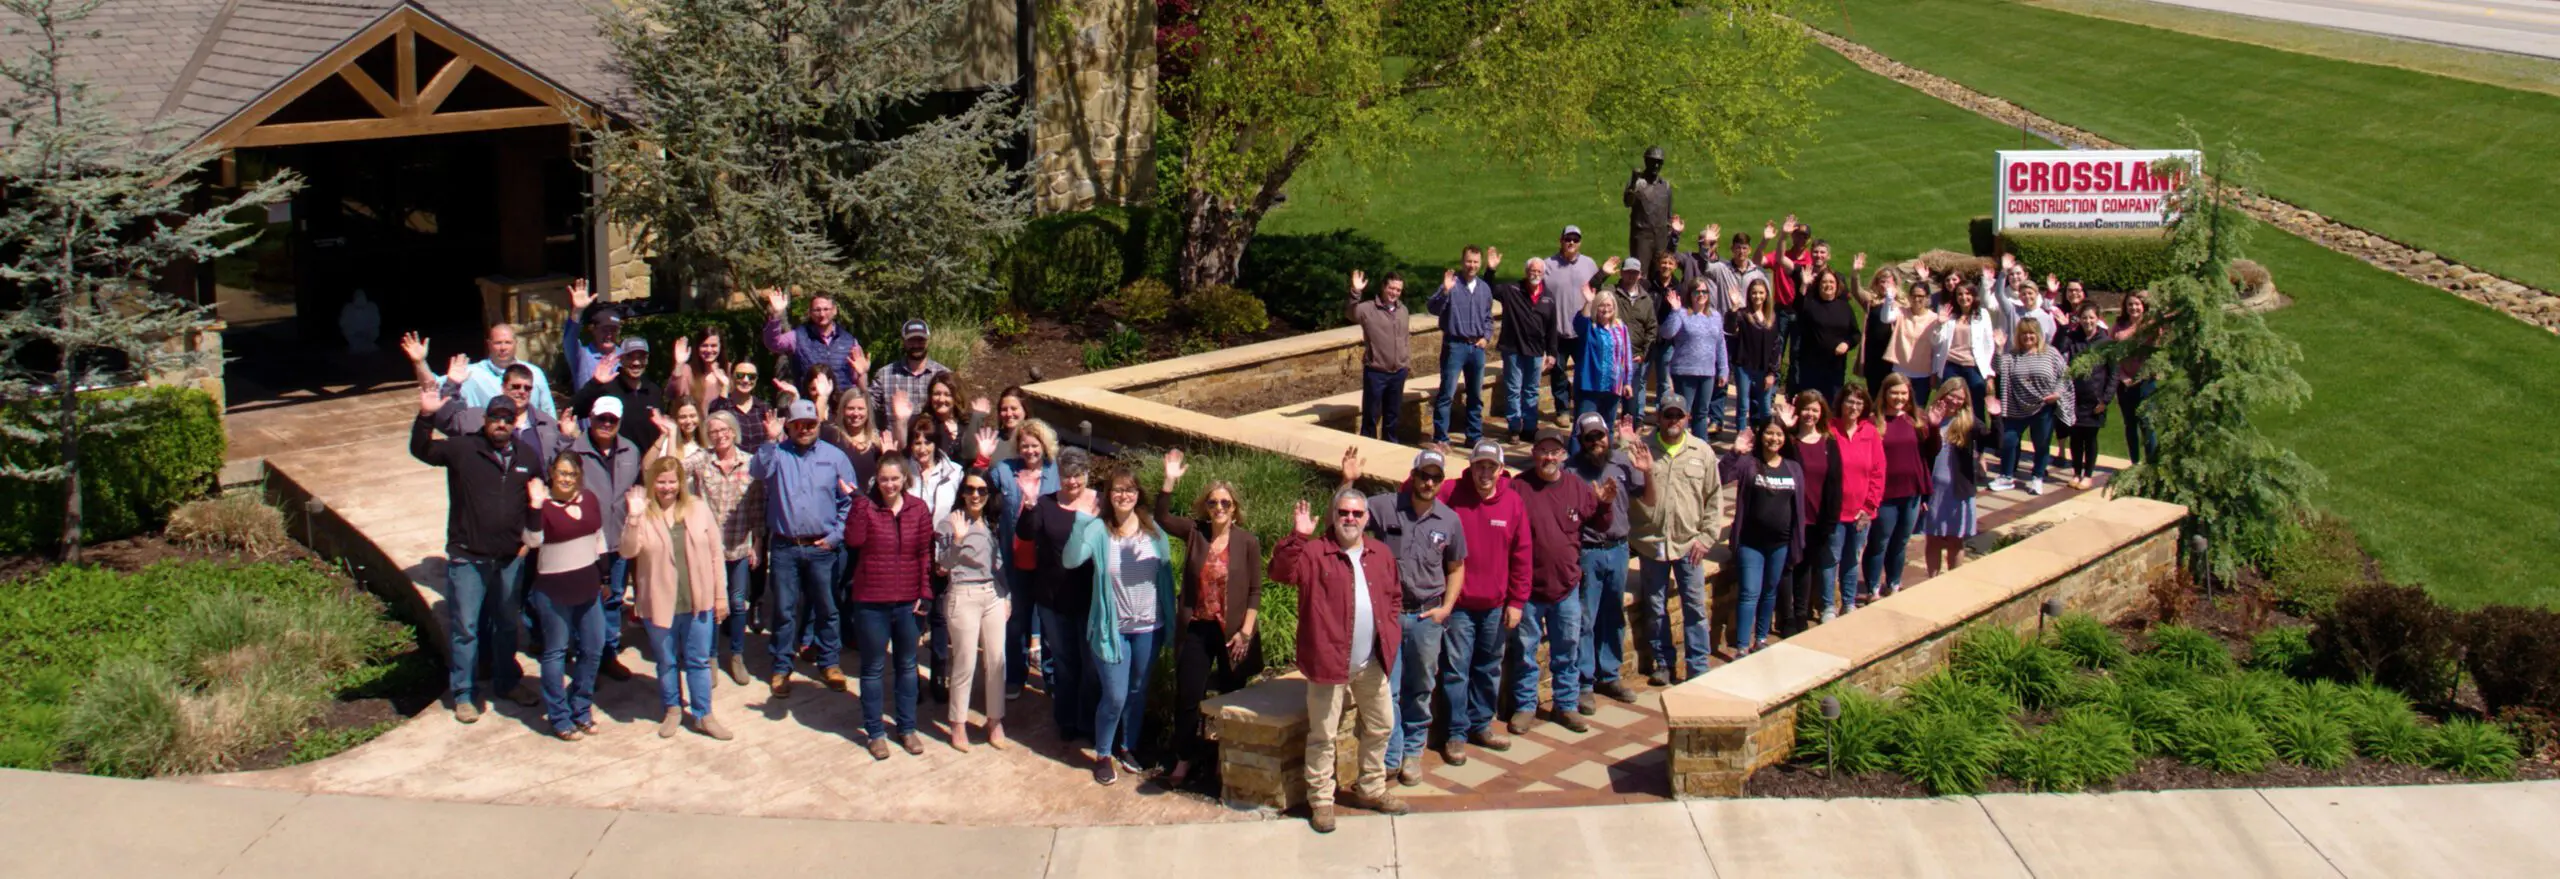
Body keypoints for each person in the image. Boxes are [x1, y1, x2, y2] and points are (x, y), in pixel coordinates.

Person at [1271, 490, 1409, 833]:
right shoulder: (1315, 552)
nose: (1350, 518)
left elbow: (1393, 597)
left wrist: (1389, 630)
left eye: (1357, 513)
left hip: (1371, 662)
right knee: (1323, 736)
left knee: (1381, 726)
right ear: (1334, 515)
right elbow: (1281, 573)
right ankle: (1321, 802)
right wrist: (1298, 536)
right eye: (1344, 512)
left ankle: (1371, 788)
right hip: (1328, 663)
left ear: (1366, 518)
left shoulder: (1380, 553)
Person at [1336, 446, 1466, 783]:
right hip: (1390, 617)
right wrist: (1347, 481)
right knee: (1387, 690)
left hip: (1426, 617)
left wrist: (1446, 608)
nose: (1429, 482)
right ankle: (1391, 755)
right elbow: (1340, 521)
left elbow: (1456, 568)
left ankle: (1412, 752)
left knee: (1420, 688)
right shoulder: (1384, 506)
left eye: (1436, 477)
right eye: (1424, 475)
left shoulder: (1449, 520)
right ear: (1414, 475)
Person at [411, 388, 539, 723]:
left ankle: (507, 683)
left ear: (515, 422)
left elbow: (538, 496)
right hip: (469, 557)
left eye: (506, 419)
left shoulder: (528, 456)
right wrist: (426, 416)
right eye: (495, 417)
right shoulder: (463, 449)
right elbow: (422, 449)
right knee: (466, 628)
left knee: (507, 625)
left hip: (510, 558)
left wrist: (527, 538)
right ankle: (464, 694)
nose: (500, 424)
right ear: (485, 420)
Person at [1154, 449, 1265, 788]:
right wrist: (1169, 481)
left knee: (1232, 700)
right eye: (1214, 503)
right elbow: (1161, 517)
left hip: (1233, 633)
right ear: (1206, 506)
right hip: (1198, 629)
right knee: (1188, 698)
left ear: (1235, 509)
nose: (1219, 508)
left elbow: (1255, 591)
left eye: (1225, 504)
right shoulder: (1195, 533)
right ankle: (1185, 759)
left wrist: (1246, 632)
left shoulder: (1247, 542)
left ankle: (1222, 761)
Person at [1062, 463, 1175, 785]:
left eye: (1130, 489)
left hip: (1149, 628)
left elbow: (1165, 576)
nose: (1124, 495)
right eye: (1117, 489)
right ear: (1109, 495)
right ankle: (1102, 754)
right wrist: (1080, 521)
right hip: (1112, 630)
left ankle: (1127, 746)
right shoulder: (1098, 530)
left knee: (1137, 691)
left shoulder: (1153, 530)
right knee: (1115, 694)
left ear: (1138, 494)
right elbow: (1070, 560)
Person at [1508, 427, 1616, 734]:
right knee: (1526, 653)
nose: (1549, 457)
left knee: (1567, 650)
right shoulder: (1519, 488)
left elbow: (1599, 524)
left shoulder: (1577, 487)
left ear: (1564, 455)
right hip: (1528, 588)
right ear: (1534, 454)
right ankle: (1526, 706)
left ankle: (1566, 705)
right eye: (1544, 451)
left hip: (1566, 586)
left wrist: (1605, 504)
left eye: (1555, 452)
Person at [620, 455, 733, 740]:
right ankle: (672, 709)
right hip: (660, 602)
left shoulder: (697, 508)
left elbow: (716, 553)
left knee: (698, 660)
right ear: (652, 483)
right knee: (667, 661)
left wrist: (721, 596)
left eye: (673, 481)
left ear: (681, 483)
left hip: (698, 600)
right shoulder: (644, 513)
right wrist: (633, 517)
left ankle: (703, 714)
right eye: (661, 481)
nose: (667, 487)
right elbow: (628, 551)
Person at [751, 399, 858, 696]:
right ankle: (782, 667)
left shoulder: (835, 457)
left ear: (819, 425)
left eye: (811, 424)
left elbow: (849, 502)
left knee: (827, 607)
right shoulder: (778, 453)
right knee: (785, 610)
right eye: (799, 424)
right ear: (790, 426)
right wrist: (770, 439)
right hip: (785, 546)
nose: (806, 429)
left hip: (822, 547)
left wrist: (836, 537)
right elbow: (758, 471)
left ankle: (829, 662)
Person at [1437, 441, 1530, 762]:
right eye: (1480, 466)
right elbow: (1416, 490)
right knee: (1455, 671)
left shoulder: (1513, 503)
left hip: (1494, 606)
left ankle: (1481, 725)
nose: (1485, 473)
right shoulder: (1451, 494)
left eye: (1492, 467)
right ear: (1470, 467)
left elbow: (1522, 556)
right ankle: (1456, 734)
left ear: (1501, 470)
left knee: (1489, 668)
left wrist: (1517, 601)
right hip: (1459, 605)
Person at [842, 454, 935, 758]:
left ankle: (907, 728)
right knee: (872, 668)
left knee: (907, 667)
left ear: (904, 479)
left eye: (895, 478)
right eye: (884, 479)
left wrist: (925, 591)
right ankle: (875, 732)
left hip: (908, 601)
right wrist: (857, 503)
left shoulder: (917, 509)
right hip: (871, 601)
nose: (890, 484)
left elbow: (925, 553)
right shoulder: (866, 507)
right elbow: (853, 541)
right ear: (876, 480)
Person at [1016, 446, 1101, 743]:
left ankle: (1088, 722)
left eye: (1078, 475)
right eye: (1067, 476)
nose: (1072, 482)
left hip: (1091, 600)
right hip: (1053, 599)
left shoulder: (1099, 504)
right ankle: (1066, 720)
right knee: (1065, 663)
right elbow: (1025, 533)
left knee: (1091, 664)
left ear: (1087, 475)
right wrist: (1028, 503)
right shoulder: (1046, 504)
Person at [521, 455, 605, 739]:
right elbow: (532, 541)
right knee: (556, 652)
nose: (567, 478)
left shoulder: (590, 499)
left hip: (588, 588)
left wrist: (604, 577)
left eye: (572, 473)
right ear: (552, 474)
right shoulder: (542, 507)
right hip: (553, 591)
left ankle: (581, 707)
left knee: (593, 649)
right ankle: (559, 716)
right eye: (561, 473)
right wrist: (534, 506)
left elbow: (599, 539)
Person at [1565, 412, 1644, 711]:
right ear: (1580, 441)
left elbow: (1645, 495)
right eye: (1590, 437)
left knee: (1613, 614)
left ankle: (1609, 674)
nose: (1597, 442)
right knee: (1586, 617)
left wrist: (1648, 471)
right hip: (1588, 552)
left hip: (1620, 548)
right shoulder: (1570, 472)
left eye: (1601, 435)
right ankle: (1585, 681)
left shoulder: (1622, 462)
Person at [1629, 396, 1707, 682]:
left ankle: (1698, 665)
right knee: (1655, 607)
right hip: (1653, 542)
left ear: (1687, 417)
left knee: (1695, 607)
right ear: (1658, 417)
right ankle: (1663, 663)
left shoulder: (1702, 451)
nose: (1673, 421)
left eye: (1678, 415)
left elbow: (1713, 499)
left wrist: (1708, 537)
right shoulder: (1641, 449)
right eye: (1668, 415)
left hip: (1689, 544)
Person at [569, 396, 643, 681]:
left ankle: (608, 655)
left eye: (612, 420)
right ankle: (586, 660)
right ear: (591, 417)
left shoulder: (630, 450)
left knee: (613, 600)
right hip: (587, 541)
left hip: (618, 540)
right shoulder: (575, 451)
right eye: (602, 419)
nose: (607, 424)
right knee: (586, 602)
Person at [686, 411, 763, 685]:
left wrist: (758, 541)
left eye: (724, 430)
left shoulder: (750, 463)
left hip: (740, 545)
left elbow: (757, 507)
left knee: (738, 603)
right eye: (714, 431)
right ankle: (711, 657)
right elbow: (672, 468)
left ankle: (737, 656)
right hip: (709, 548)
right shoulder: (702, 460)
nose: (719, 435)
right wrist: (670, 435)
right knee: (712, 605)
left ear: (733, 432)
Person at [936, 470, 1010, 751]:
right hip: (963, 593)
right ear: (962, 492)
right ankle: (958, 722)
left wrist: (1006, 595)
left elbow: (999, 562)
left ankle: (995, 720)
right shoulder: (950, 522)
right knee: (965, 660)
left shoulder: (992, 522)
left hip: (992, 594)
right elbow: (942, 565)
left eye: (981, 490)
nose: (975, 495)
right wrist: (957, 540)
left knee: (996, 660)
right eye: (970, 489)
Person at [1719, 418, 1805, 655]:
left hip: (1781, 543)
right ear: (1761, 435)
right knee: (1749, 592)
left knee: (1770, 591)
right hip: (1751, 543)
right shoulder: (1749, 464)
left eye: (1779, 434)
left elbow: (1798, 508)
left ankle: (1761, 638)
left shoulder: (1793, 467)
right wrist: (1734, 451)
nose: (1774, 439)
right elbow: (1722, 476)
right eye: (1769, 433)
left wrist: (1798, 541)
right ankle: (1742, 646)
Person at [992, 419, 1061, 697]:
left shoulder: (1056, 472)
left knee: (1048, 620)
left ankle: (1051, 676)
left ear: (1044, 447)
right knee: (1017, 619)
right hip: (1015, 558)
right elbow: (976, 488)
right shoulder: (1005, 471)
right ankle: (1015, 676)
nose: (1030, 451)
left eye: (1035, 445)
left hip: (1047, 562)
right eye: (1024, 445)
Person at [1775, 392, 1842, 631]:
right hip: (1790, 517)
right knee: (1786, 568)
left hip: (1817, 519)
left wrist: (1830, 521)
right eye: (1806, 409)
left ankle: (1801, 614)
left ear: (1821, 412)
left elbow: (1835, 483)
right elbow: (1779, 462)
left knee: (1805, 568)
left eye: (1815, 410)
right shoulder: (1789, 442)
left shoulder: (1829, 442)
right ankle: (1786, 617)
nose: (1810, 414)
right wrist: (1784, 426)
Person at [1862, 375, 1929, 601]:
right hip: (1885, 493)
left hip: (1911, 492)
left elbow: (1929, 453)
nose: (1899, 397)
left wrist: (1936, 426)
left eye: (1903, 393)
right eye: (1894, 393)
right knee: (1880, 540)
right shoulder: (1873, 422)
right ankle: (1873, 587)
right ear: (1885, 393)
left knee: (1901, 542)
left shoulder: (1916, 420)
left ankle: (1894, 583)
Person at [1992, 319, 2076, 496]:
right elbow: (1997, 368)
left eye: (2031, 333)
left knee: (2042, 443)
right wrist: (1999, 348)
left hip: (2043, 406)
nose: (2027, 336)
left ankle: (2037, 477)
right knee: (2008, 441)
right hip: (2017, 406)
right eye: (2023, 333)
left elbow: (2065, 375)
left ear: (2038, 334)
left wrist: (2058, 393)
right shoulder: (2012, 355)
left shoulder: (2050, 353)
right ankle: (2006, 476)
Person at [1920, 383, 1994, 577]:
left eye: (1959, 398)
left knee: (1955, 539)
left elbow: (1996, 442)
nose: (1954, 401)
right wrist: (1933, 426)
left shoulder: (1969, 422)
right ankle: (1932, 580)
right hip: (1934, 488)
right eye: (1951, 396)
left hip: (1959, 489)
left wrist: (1996, 417)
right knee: (1933, 538)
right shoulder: (1928, 418)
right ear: (1942, 394)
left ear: (1965, 400)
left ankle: (1954, 579)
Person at [400, 326, 558, 417]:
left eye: (508, 342)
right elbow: (432, 387)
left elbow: (548, 412)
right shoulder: (471, 374)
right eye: (498, 343)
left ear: (516, 343)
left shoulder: (535, 373)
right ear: (489, 344)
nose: (503, 348)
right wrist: (419, 362)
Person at [1428, 245, 1498, 446]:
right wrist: (1444, 291)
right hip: (1454, 346)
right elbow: (1432, 308)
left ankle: (1474, 436)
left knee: (1476, 395)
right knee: (1446, 394)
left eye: (1476, 262)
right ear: (1462, 261)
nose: (1472, 265)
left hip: (1476, 348)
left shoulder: (1484, 288)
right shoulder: (1452, 284)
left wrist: (1486, 336)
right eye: (1469, 261)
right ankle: (1441, 437)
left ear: (1480, 263)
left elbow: (1488, 317)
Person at [1827, 385, 1886, 610]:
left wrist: (1870, 506)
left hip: (1861, 511)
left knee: (1852, 560)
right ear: (1841, 403)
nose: (1854, 407)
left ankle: (1849, 602)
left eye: (1859, 403)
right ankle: (1828, 606)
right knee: (1831, 560)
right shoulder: (1830, 429)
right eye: (1850, 402)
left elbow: (1878, 472)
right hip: (1835, 510)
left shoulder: (1870, 432)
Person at [1493, 257, 1558, 443]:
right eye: (1532, 271)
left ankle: (1530, 427)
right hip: (1513, 349)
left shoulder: (1548, 297)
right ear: (1526, 272)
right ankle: (1514, 427)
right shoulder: (1512, 289)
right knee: (1513, 389)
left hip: (1536, 350)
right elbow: (1489, 289)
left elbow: (1552, 327)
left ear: (1543, 274)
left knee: (1531, 391)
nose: (1535, 274)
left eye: (1538, 271)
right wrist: (1491, 270)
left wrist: (1552, 352)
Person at [2054, 302, 2118, 490]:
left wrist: (2105, 400)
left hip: (2095, 399)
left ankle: (2088, 474)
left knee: (2090, 438)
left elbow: (2113, 374)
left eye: (2091, 317)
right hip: (2074, 397)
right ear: (2079, 319)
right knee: (2075, 438)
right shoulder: (2073, 338)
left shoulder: (2106, 343)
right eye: (2084, 317)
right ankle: (2076, 472)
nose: (2088, 321)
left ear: (2098, 319)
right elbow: (2057, 350)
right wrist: (2064, 328)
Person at [1931, 267, 2004, 428]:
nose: (1963, 297)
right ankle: (1945, 439)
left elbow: (1988, 345)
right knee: (1949, 405)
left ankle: (1977, 444)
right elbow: (1936, 342)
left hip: (1973, 367)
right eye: (1959, 294)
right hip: (1951, 366)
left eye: (1967, 294)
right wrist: (1939, 324)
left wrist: (1989, 373)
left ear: (1973, 295)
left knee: (1976, 405)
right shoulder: (1949, 314)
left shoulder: (1982, 314)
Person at [1345, 268, 1411, 442]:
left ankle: (1391, 448)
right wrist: (1356, 292)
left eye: (1398, 290)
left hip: (1398, 372)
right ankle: (1368, 447)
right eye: (1391, 288)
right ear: (1383, 287)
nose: (1394, 293)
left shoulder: (1402, 310)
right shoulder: (1368, 309)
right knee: (1371, 416)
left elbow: (1404, 338)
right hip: (1376, 372)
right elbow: (1351, 313)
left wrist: (1405, 363)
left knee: (1393, 417)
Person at [1656, 280, 1728, 438]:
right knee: (1683, 413)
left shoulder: (1715, 316)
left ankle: (1702, 448)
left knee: (1702, 413)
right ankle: (1680, 446)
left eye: (1704, 292)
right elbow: (1667, 333)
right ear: (1690, 294)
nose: (1701, 295)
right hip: (1685, 371)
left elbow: (1720, 344)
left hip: (1708, 372)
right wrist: (1674, 311)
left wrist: (1723, 369)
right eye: (1697, 291)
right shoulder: (1682, 314)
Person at [760, 286, 869, 390]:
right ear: (810, 312)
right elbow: (772, 343)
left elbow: (859, 383)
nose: (822, 314)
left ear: (834, 310)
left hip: (841, 404)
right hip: (810, 404)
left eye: (826, 309)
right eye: (817, 310)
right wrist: (777, 314)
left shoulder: (849, 341)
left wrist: (862, 374)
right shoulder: (797, 336)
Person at [573, 337, 666, 455]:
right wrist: (595, 383)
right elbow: (573, 410)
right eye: (630, 357)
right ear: (621, 359)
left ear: (647, 360)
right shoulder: (607, 389)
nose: (636, 363)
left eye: (641, 357)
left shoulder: (654, 391)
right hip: (617, 465)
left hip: (650, 466)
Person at [1545, 226, 1601, 418]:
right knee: (1558, 373)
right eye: (1568, 239)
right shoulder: (1548, 265)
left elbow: (1597, 293)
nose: (1571, 243)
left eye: (1575, 240)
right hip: (1557, 331)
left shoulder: (1589, 264)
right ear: (1561, 240)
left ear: (1580, 243)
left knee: (1584, 373)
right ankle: (1562, 409)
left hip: (1582, 332)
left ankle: (1582, 409)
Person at [1572, 290, 1636, 449]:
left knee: (1607, 427)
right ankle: (1576, 463)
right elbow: (1578, 323)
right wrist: (1588, 302)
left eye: (1609, 305)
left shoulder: (1620, 327)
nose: (1606, 308)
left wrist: (1627, 382)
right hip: (1590, 386)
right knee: (1583, 427)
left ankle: (1605, 461)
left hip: (1614, 385)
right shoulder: (1590, 326)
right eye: (1601, 305)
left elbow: (1626, 355)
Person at [1791, 267, 1860, 403]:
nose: (1828, 285)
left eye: (1831, 282)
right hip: (1811, 366)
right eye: (1824, 282)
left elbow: (1856, 334)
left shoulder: (1845, 307)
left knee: (1832, 403)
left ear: (1837, 285)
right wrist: (1804, 284)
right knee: (1810, 403)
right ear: (1818, 285)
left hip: (1835, 367)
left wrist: (1847, 344)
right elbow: (1798, 306)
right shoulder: (1810, 304)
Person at [1728, 278, 1783, 435]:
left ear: (1766, 295)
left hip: (1764, 368)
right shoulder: (1743, 314)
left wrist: (1772, 372)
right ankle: (1741, 436)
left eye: (1760, 292)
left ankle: (1765, 437)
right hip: (1744, 366)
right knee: (1743, 404)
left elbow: (1776, 346)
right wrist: (1733, 307)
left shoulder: (1772, 317)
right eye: (1754, 293)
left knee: (1765, 405)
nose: (1757, 296)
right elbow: (1730, 328)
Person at [1877, 272, 1943, 404]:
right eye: (1914, 296)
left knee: (1918, 412)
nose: (1917, 299)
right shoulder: (1901, 312)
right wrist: (1889, 299)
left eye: (1921, 296)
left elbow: (1937, 347)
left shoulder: (1935, 318)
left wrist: (1934, 373)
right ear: (1909, 297)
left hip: (1923, 374)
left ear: (1928, 298)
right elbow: (1885, 318)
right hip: (1900, 371)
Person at [872, 320, 951, 426]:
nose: (916, 345)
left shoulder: (944, 374)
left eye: (921, 340)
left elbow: (955, 412)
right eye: (911, 340)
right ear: (903, 341)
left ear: (928, 341)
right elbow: (868, 408)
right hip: (893, 440)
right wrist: (861, 378)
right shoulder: (884, 375)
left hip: (933, 441)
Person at [2113, 290, 2160, 465]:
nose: (2133, 307)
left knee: (2147, 424)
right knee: (2130, 425)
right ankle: (2135, 463)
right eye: (2130, 304)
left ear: (2143, 306)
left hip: (2146, 381)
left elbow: (2159, 349)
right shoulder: (2119, 326)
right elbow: (2112, 353)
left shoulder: (2151, 324)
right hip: (2124, 384)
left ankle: (2151, 464)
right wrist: (2122, 376)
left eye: (2137, 304)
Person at [562, 279, 623, 391]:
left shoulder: (625, 356)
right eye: (604, 330)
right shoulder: (581, 356)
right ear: (593, 329)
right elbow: (569, 339)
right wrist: (577, 311)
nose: (609, 335)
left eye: (613, 330)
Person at [1623, 146, 1675, 269]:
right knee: (1641, 275)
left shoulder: (1665, 186)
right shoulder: (1637, 183)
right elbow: (1628, 202)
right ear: (1646, 161)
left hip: (1661, 238)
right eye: (1653, 162)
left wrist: (1670, 232)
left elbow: (1669, 214)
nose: (1656, 166)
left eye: (1659, 162)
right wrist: (1633, 184)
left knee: (1659, 274)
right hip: (1642, 238)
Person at [707, 360, 772, 453]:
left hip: (759, 464)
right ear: (732, 376)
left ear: (756, 379)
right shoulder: (720, 404)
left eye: (751, 377)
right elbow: (713, 426)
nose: (746, 380)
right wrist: (725, 387)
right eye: (740, 375)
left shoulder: (763, 408)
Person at [666, 327, 731, 405]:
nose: (709, 350)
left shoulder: (729, 369)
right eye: (704, 345)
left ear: (720, 347)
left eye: (713, 346)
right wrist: (679, 364)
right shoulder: (687, 370)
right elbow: (671, 394)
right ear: (697, 347)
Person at [646, 396, 704, 462]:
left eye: (692, 416)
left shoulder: (708, 442)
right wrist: (665, 434)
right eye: (683, 417)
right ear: (676, 419)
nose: (688, 421)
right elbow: (646, 467)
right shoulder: (669, 441)